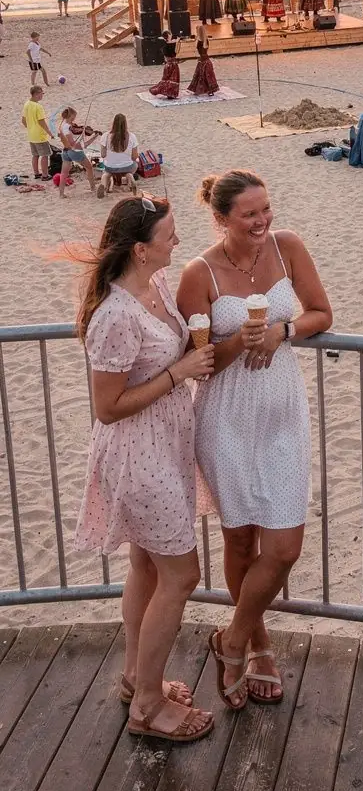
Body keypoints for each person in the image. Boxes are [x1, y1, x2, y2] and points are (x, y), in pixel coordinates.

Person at [177, 169, 332, 709]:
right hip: (224, 419)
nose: (263, 220)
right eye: (250, 213)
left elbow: (321, 312)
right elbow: (194, 362)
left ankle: (232, 638)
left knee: (284, 547)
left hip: (283, 413)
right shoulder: (199, 274)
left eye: (266, 208)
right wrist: (237, 344)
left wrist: (281, 330)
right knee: (240, 541)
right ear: (222, 218)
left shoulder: (288, 247)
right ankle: (259, 645)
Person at [75, 196, 215, 743]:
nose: (176, 241)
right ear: (140, 249)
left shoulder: (154, 285)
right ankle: (149, 707)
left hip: (165, 446)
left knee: (146, 565)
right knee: (182, 575)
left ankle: (136, 676)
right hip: (138, 458)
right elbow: (107, 407)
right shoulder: (115, 315)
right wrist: (180, 372)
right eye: (169, 235)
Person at [57, 106, 97, 195]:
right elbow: (72, 142)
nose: (74, 119)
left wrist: (82, 135)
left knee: (64, 173)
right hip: (74, 151)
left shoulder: (62, 125)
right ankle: (93, 188)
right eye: (74, 117)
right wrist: (81, 142)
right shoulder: (68, 127)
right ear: (71, 116)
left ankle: (61, 193)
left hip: (65, 151)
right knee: (89, 167)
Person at [98, 113, 139, 198]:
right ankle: (129, 177)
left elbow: (103, 155)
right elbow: (134, 157)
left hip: (110, 167)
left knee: (106, 173)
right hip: (127, 166)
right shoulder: (132, 136)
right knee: (134, 165)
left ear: (113, 123)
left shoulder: (105, 136)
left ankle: (103, 183)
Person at [21, 85, 54, 180]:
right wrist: (49, 133)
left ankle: (36, 173)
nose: (42, 95)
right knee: (45, 155)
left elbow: (23, 120)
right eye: (41, 93)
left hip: (31, 135)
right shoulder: (38, 106)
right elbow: (41, 122)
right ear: (36, 94)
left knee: (35, 155)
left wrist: (30, 128)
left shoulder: (27, 104)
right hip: (40, 136)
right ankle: (45, 175)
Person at [188, 20, 220, 96]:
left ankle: (210, 90)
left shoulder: (205, 41)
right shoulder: (198, 40)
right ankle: (199, 89)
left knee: (207, 76)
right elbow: (197, 47)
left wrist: (203, 34)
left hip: (205, 61)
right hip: (201, 60)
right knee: (199, 75)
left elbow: (204, 46)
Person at [149, 32, 180, 100]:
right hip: (172, 65)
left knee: (169, 79)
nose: (171, 35)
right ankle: (167, 93)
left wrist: (176, 42)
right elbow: (175, 51)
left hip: (169, 65)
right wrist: (177, 42)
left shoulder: (167, 45)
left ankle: (170, 93)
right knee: (171, 79)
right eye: (170, 35)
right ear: (168, 36)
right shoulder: (167, 46)